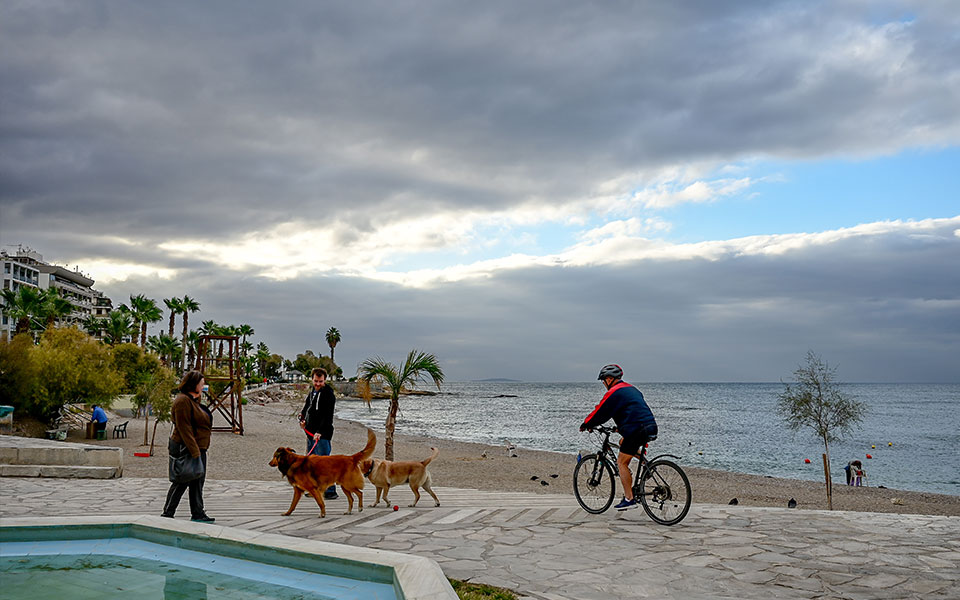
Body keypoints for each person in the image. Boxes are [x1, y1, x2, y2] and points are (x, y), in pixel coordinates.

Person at [580, 364, 658, 510]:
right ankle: (646, 466)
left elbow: (600, 411)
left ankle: (629, 499)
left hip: (637, 430)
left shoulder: (614, 392)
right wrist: (619, 428)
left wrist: (586, 424)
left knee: (622, 462)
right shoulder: (632, 389)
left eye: (604, 380)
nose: (603, 383)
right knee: (623, 441)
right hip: (650, 426)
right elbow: (633, 411)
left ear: (610, 379)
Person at [161, 370, 215, 522]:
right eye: (202, 383)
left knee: (198, 481)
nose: (204, 386)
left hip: (198, 448)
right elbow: (184, 428)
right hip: (187, 448)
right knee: (182, 480)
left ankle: (198, 513)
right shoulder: (183, 401)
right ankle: (168, 512)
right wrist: (195, 451)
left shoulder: (193, 401)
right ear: (194, 384)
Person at [299, 367, 338, 499]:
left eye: (320, 381)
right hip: (310, 433)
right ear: (312, 379)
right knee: (312, 463)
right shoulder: (312, 392)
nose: (317, 384)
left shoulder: (328, 394)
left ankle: (331, 491)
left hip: (322, 435)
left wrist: (320, 432)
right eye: (316, 381)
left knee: (324, 463)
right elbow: (307, 407)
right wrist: (302, 418)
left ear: (324, 380)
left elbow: (328, 416)